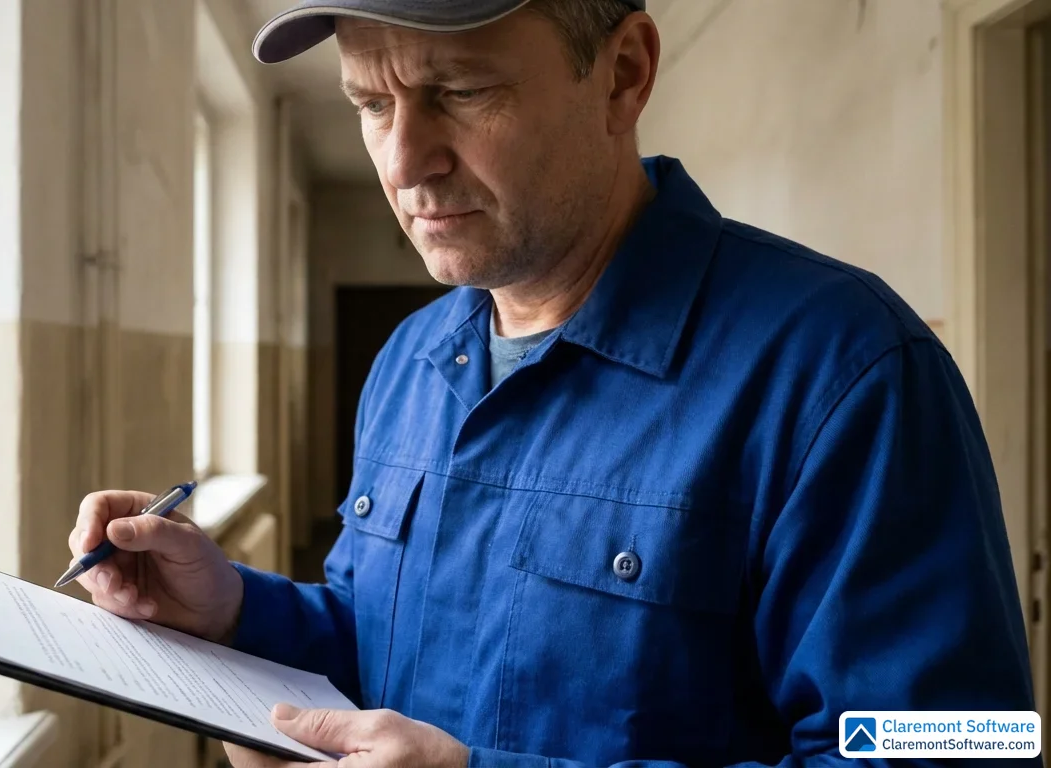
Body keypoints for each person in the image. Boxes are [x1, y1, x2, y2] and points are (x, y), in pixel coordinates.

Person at [67, 0, 1040, 765]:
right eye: (371, 103)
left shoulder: (845, 371)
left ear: (622, 75)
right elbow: (390, 645)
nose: (405, 161)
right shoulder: (410, 362)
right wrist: (234, 611)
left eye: (459, 91)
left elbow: (959, 748)